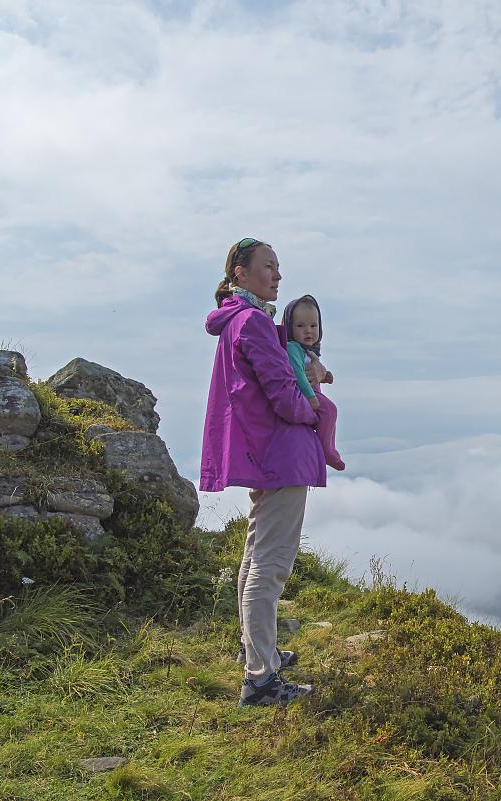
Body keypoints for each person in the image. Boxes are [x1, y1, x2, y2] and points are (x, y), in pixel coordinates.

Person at [200, 237, 325, 707]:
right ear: (239, 271)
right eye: (268, 267)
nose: (277, 275)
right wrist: (316, 411)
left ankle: (259, 650)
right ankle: (260, 680)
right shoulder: (252, 322)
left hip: (264, 454)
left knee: (255, 557)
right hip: (280, 455)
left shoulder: (238, 320)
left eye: (278, 268)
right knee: (270, 567)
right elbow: (282, 394)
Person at [282, 294, 345, 472]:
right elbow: (299, 374)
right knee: (330, 410)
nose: (308, 330)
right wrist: (310, 397)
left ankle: (329, 447)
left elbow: (312, 370)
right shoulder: (293, 348)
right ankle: (327, 450)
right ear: (289, 327)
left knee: (329, 415)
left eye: (313, 325)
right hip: (307, 393)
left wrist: (326, 376)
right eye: (300, 326)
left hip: (312, 391)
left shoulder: (308, 351)